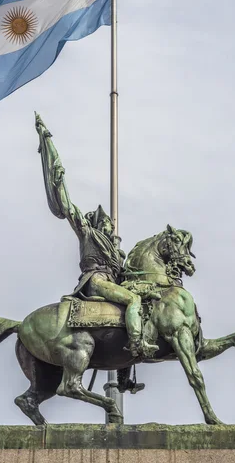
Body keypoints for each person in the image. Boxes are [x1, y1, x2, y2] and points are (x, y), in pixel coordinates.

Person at [35, 113, 158, 358]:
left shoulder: (114, 250)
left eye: (110, 224)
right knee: (133, 300)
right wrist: (58, 177)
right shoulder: (88, 233)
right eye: (105, 221)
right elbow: (68, 207)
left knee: (142, 305)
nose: (110, 225)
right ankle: (136, 345)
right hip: (96, 282)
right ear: (96, 222)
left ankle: (125, 371)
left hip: (110, 281)